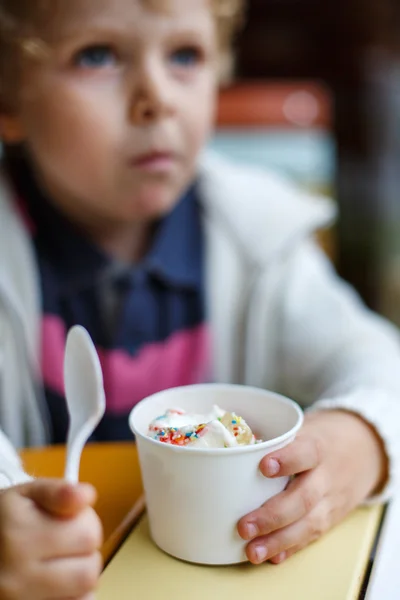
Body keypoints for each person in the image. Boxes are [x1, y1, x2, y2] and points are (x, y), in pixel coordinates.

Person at [0, 0, 399, 597]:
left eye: (184, 55)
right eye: (98, 55)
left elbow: (379, 362)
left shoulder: (260, 236)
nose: (156, 97)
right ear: (9, 100)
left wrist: (360, 438)